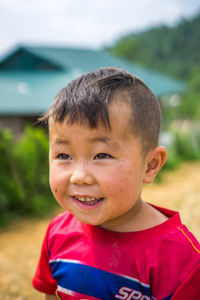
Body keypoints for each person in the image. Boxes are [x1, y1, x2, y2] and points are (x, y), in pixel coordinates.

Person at [32, 67, 200, 300]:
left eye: (102, 156)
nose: (78, 176)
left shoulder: (180, 260)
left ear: (151, 165)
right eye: (63, 155)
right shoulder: (58, 233)